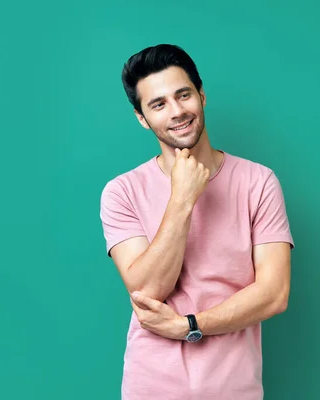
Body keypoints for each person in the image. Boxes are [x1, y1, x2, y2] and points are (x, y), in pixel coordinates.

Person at [99, 43, 295, 400]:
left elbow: (274, 294)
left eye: (183, 95)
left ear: (201, 96)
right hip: (150, 389)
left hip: (235, 389)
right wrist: (183, 197)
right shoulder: (121, 192)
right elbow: (147, 291)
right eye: (158, 104)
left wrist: (188, 326)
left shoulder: (259, 182)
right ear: (142, 118)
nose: (176, 112)